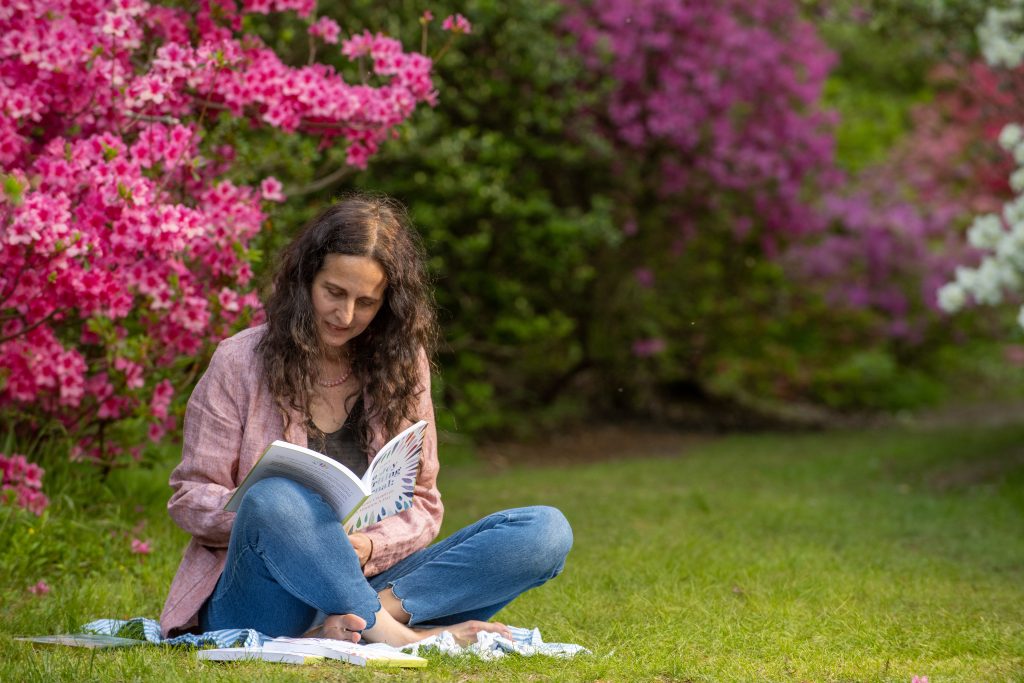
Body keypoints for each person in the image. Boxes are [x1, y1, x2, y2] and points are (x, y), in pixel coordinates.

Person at [159, 194, 573, 646]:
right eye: (333, 292)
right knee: (274, 497)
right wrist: (299, 530)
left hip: (373, 578)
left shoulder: (402, 363)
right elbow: (190, 498)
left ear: (387, 304)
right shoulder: (238, 360)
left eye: (366, 302)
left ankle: (354, 626)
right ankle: (399, 637)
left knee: (544, 532)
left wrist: (368, 546)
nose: (345, 315)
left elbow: (423, 502)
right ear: (305, 280)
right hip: (265, 595)